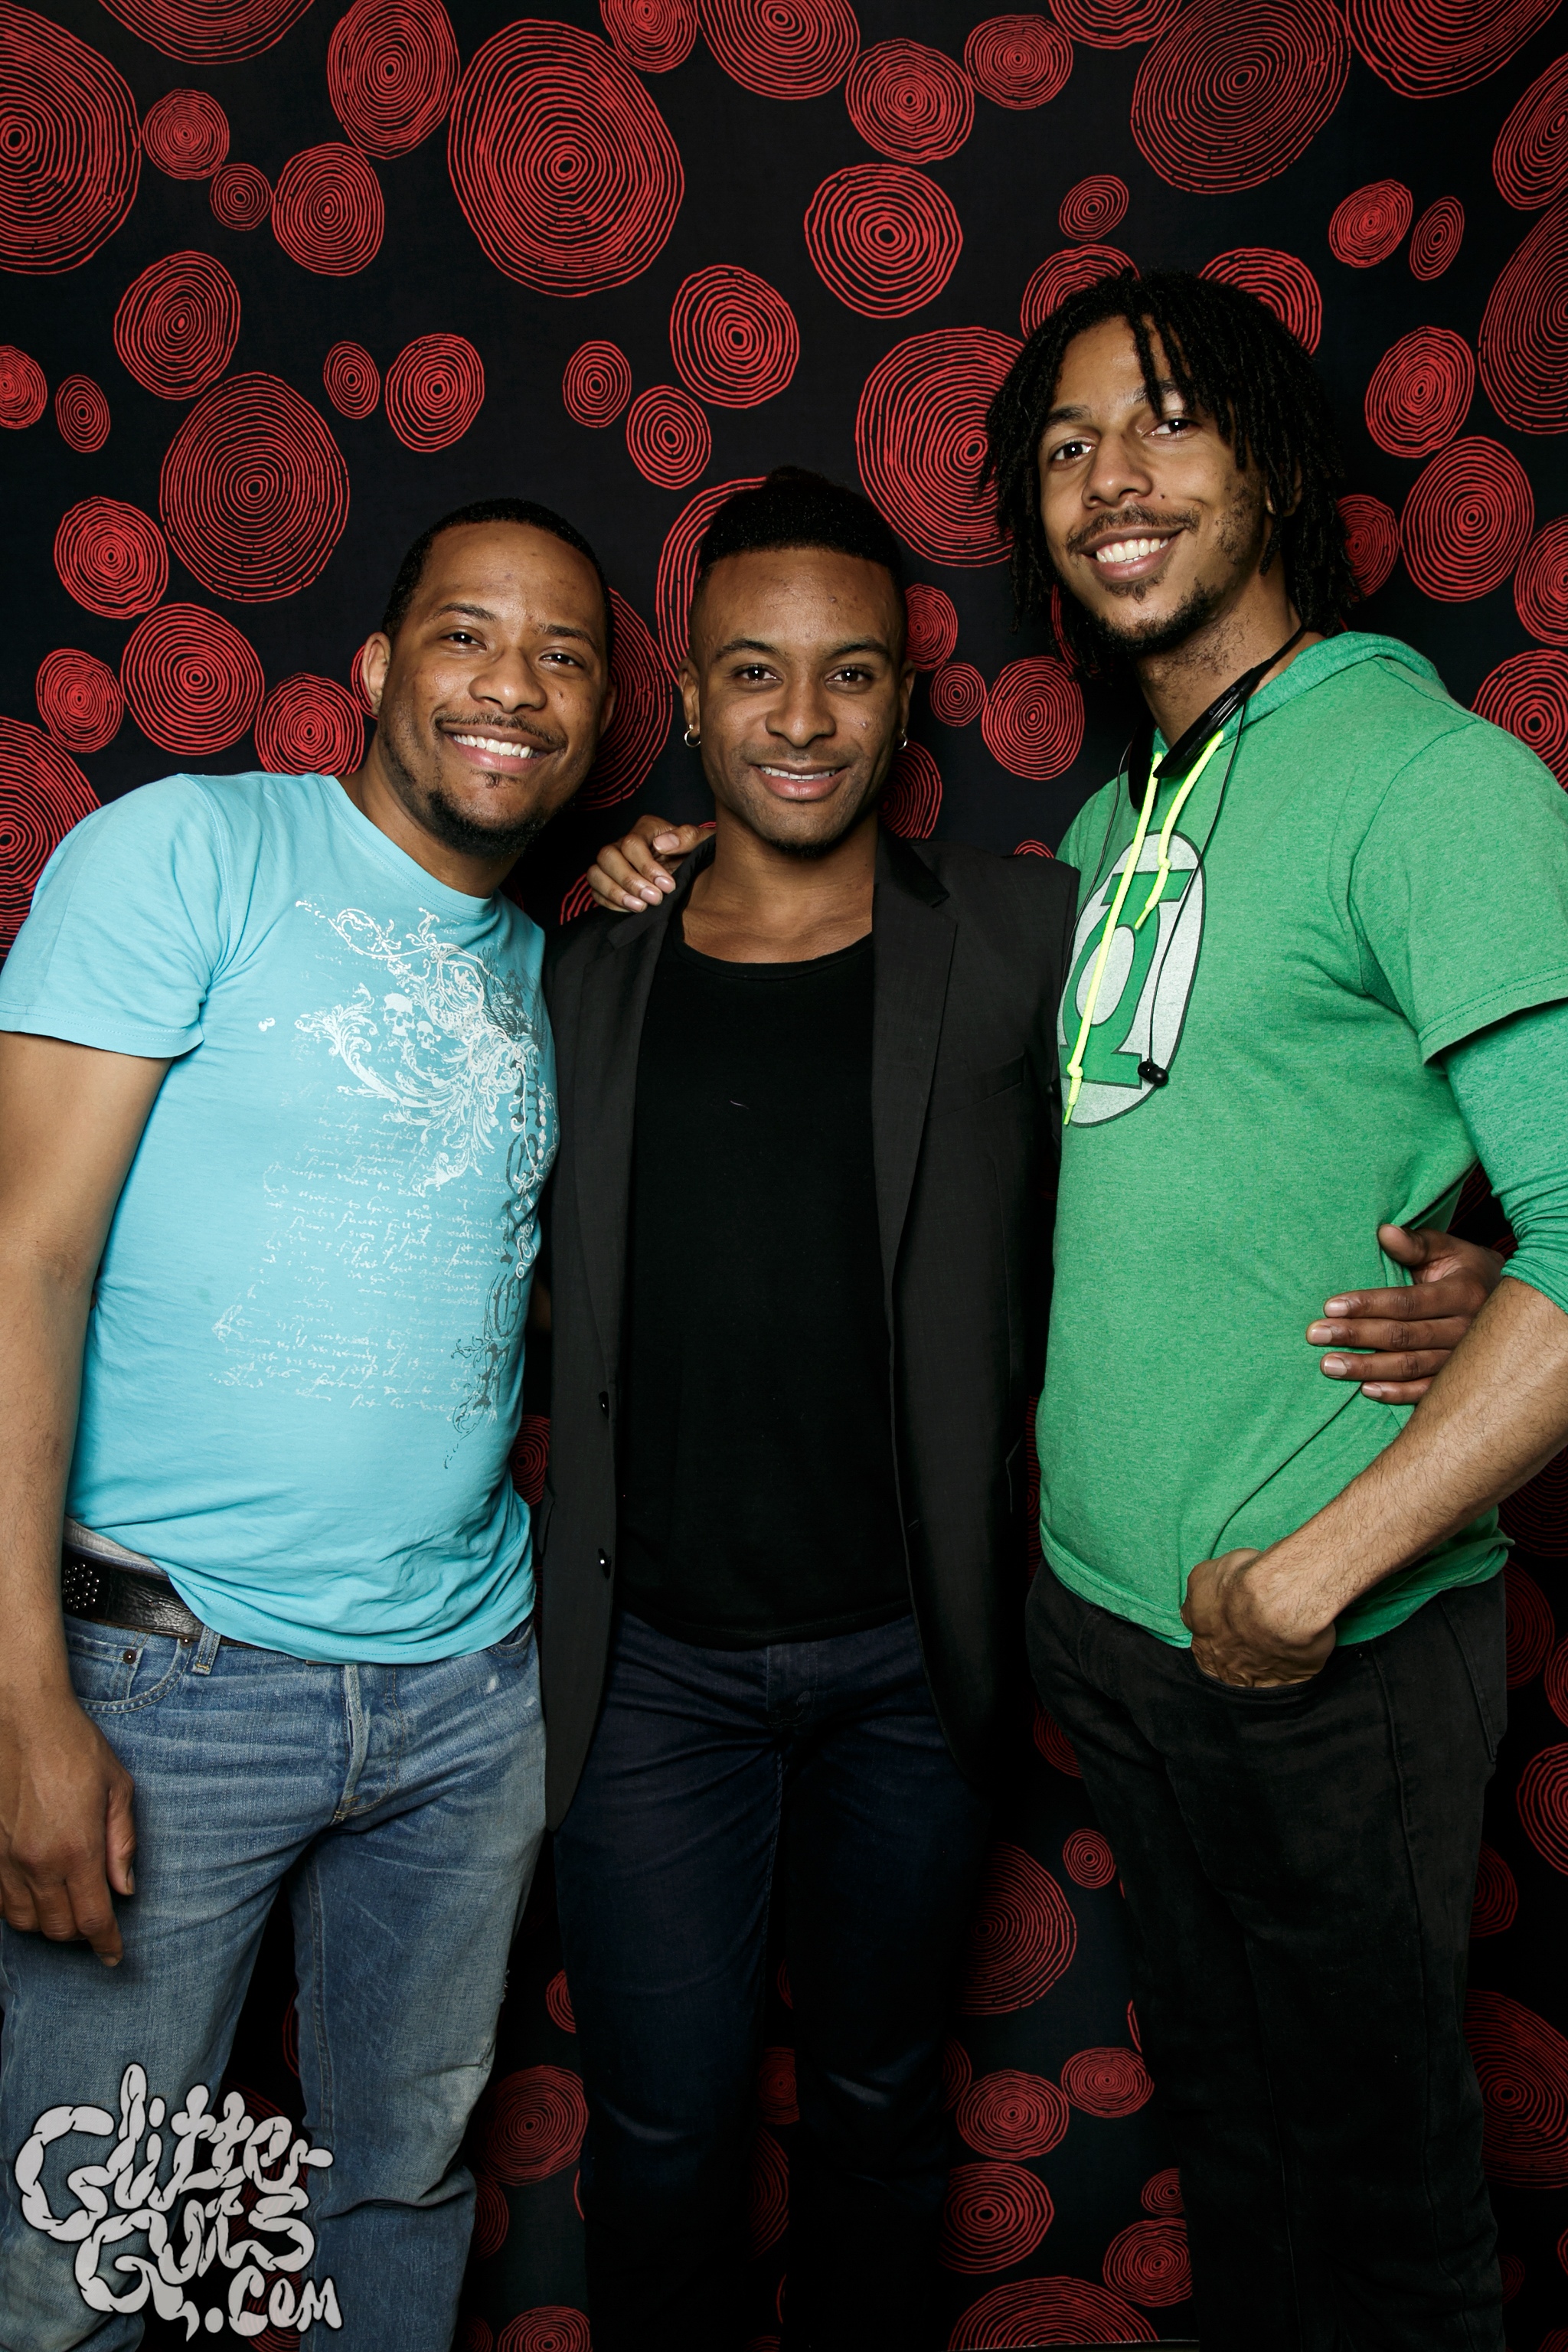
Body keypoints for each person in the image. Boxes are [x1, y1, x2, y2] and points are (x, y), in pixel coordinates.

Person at [555, 469, 1498, 2352]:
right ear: (691, 694)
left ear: (907, 701)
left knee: (879, 2110)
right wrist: (609, 870)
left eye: (848, 673)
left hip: (912, 1664)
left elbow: (1251, 1092)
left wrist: (1483, 1260)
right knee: (659, 2140)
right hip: (648, 1671)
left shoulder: (1025, 931)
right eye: (753, 671)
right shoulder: (587, 964)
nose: (801, 717)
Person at [977, 270, 1568, 2350]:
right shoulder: (1111, 817)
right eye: (1067, 447)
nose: (1109, 481)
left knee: (1386, 2215)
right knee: (1233, 2154)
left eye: (1167, 421)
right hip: (1117, 1641)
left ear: (1277, 466)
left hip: (1325, 1653)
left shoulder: (1428, 781)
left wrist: (1311, 1579)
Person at [0, 498, 616, 2350]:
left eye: (564, 656)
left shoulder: (559, 970)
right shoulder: (190, 851)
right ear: (373, 666)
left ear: (600, 719)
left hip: (467, 1693)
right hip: (163, 1674)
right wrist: (22, 1697)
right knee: (82, 2242)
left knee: (399, 2194)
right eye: (467, 634)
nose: (512, 686)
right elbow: (26, 1257)